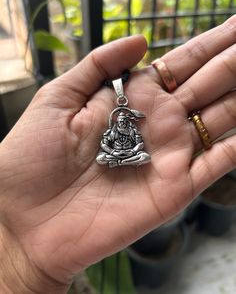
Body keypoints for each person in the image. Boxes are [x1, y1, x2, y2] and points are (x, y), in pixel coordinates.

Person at [0, 15, 235, 293]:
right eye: (121, 121)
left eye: (126, 121)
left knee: (138, 153)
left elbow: (137, 145)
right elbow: (108, 147)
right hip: (113, 159)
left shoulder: (133, 130)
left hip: (132, 157)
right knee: (105, 157)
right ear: (117, 119)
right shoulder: (112, 129)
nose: (123, 124)